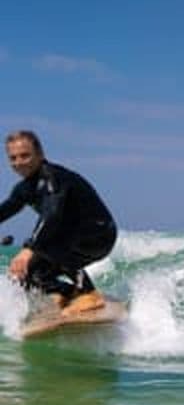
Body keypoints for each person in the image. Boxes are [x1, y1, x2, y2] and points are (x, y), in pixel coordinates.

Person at [0, 130, 117, 315]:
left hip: (99, 236)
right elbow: (6, 209)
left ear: (40, 154)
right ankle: (68, 293)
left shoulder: (53, 178)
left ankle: (89, 294)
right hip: (70, 240)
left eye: (25, 155)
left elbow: (51, 215)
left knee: (47, 243)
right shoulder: (25, 188)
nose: (19, 162)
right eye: (13, 158)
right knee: (26, 274)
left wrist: (29, 248)